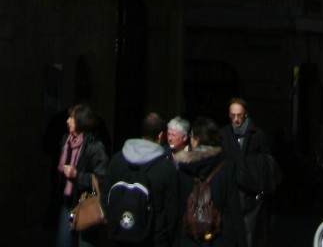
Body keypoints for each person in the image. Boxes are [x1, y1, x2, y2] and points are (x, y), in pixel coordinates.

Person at [100, 110, 183, 247]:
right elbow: (172, 212)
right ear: (160, 135)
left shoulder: (117, 160)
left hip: (120, 236)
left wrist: (116, 222)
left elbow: (105, 196)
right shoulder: (166, 168)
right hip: (154, 240)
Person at [177, 117, 244, 247]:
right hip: (220, 238)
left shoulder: (184, 168)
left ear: (197, 139)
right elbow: (234, 210)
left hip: (190, 239)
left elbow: (177, 209)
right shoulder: (226, 167)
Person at [221, 98, 277, 247]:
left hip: (251, 194)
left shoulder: (257, 134)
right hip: (231, 191)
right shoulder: (224, 134)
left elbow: (265, 163)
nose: (236, 119)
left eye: (239, 115)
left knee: (250, 236)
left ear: (245, 114)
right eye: (232, 115)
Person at [56, 103, 109, 247]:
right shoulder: (65, 141)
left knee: (85, 243)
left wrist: (77, 175)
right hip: (68, 202)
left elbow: (102, 178)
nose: (67, 121)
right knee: (63, 241)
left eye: (71, 118)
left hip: (87, 203)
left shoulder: (95, 146)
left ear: (81, 121)